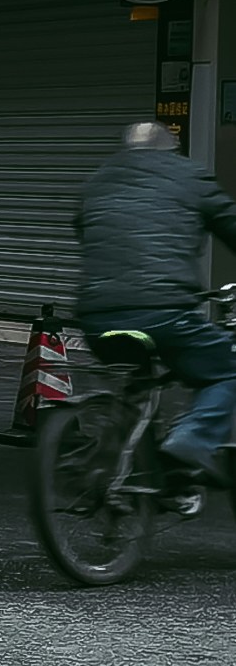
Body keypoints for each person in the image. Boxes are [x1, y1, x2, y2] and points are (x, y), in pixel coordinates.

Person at [72, 119, 236, 478]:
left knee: (137, 380)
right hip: (164, 312)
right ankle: (192, 439)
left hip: (96, 317)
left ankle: (115, 462)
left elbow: (85, 230)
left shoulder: (98, 179)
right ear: (171, 149)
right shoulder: (190, 175)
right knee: (225, 372)